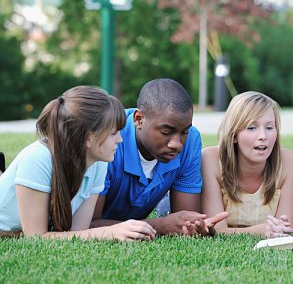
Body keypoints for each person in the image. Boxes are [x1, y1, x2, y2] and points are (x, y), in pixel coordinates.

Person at [0, 86, 156, 240]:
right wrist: (109, 232)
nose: (120, 140)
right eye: (113, 133)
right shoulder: (37, 158)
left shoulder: (98, 163)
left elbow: (78, 231)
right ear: (88, 138)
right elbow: (36, 237)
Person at [92, 78, 227, 236]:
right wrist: (161, 224)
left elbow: (185, 218)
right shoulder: (109, 140)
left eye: (184, 132)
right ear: (139, 119)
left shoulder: (190, 141)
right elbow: (87, 225)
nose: (177, 144)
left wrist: (194, 226)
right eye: (166, 131)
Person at [200, 91, 293, 237]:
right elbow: (217, 230)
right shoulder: (210, 159)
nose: (263, 136)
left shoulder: (288, 161)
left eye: (269, 127)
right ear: (234, 135)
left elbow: (286, 228)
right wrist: (259, 231)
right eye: (252, 128)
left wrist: (275, 230)